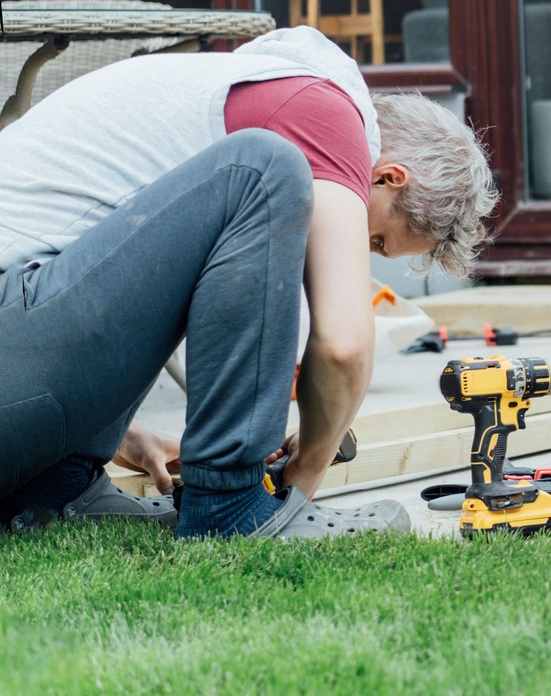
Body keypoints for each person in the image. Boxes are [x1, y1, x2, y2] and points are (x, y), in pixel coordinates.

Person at [0, 26, 498, 536]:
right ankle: (230, 508)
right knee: (260, 171)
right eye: (376, 242)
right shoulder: (322, 117)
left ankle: (53, 484)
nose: (362, 254)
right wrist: (304, 477)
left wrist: (116, 433)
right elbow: (346, 346)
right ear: (388, 177)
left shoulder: (258, 91)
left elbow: (106, 262)